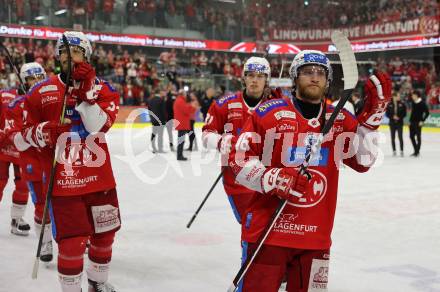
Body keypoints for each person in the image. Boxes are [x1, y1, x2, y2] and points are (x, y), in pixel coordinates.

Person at [228, 50, 392, 291]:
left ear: (327, 81)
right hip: (269, 234)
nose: (314, 77)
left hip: (316, 237)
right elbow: (238, 159)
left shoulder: (340, 119)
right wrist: (273, 178)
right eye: (307, 72)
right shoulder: (268, 113)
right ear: (295, 77)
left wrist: (370, 124)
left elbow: (364, 161)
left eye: (320, 73)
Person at [11, 31, 121, 292]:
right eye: (64, 52)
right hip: (64, 182)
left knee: (105, 237)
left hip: (99, 179)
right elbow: (17, 141)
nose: (69, 58)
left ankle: (97, 283)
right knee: (72, 243)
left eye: (75, 52)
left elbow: (97, 128)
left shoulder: (104, 89)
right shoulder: (40, 91)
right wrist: (41, 132)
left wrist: (85, 95)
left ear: (87, 56)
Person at [202, 56, 280, 224]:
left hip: (269, 178)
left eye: (260, 76)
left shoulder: (278, 105)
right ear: (243, 77)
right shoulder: (224, 104)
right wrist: (221, 141)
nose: (254, 80)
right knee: (250, 225)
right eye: (250, 75)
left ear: (267, 79)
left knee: (269, 228)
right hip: (236, 181)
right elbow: (206, 134)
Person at [4, 62, 54, 261]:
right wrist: (38, 135)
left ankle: (75, 237)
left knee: (66, 201)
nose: (36, 82)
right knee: (41, 203)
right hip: (32, 159)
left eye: (40, 77)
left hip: (54, 159)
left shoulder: (54, 99)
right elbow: (16, 139)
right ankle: (45, 241)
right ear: (24, 82)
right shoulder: (16, 105)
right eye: (32, 78)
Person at [0, 80, 30, 237]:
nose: (35, 81)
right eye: (32, 78)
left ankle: (17, 219)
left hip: (22, 148)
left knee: (23, 184)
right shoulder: (4, 95)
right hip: (2, 145)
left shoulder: (37, 97)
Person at [173, 89, 198, 161]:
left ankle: (180, 155)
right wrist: (193, 108)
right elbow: (187, 110)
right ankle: (179, 155)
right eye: (185, 94)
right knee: (181, 140)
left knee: (181, 140)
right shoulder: (181, 101)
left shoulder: (179, 100)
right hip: (182, 123)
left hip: (181, 123)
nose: (186, 95)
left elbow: (186, 109)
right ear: (183, 94)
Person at [409, 90, 430, 157]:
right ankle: (416, 151)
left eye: (413, 95)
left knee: (418, 137)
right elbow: (412, 112)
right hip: (412, 122)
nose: (412, 96)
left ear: (416, 95)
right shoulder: (413, 102)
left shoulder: (422, 103)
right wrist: (410, 121)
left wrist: (422, 121)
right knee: (411, 136)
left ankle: (417, 152)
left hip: (418, 123)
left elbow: (427, 113)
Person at [385, 91, 406, 156]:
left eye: (399, 96)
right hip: (392, 123)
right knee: (393, 137)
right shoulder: (389, 104)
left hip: (399, 123)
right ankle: (394, 151)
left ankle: (401, 150)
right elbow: (387, 114)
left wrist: (399, 117)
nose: (399, 97)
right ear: (394, 97)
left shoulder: (402, 104)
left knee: (400, 137)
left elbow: (404, 113)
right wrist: (392, 116)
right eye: (398, 96)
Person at [148, 88, 167, 153]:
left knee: (154, 134)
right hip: (160, 120)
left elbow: (149, 111)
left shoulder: (151, 100)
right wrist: (165, 120)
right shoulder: (161, 100)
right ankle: (160, 149)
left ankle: (153, 148)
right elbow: (163, 111)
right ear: (159, 92)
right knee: (160, 135)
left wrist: (151, 118)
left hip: (153, 120)